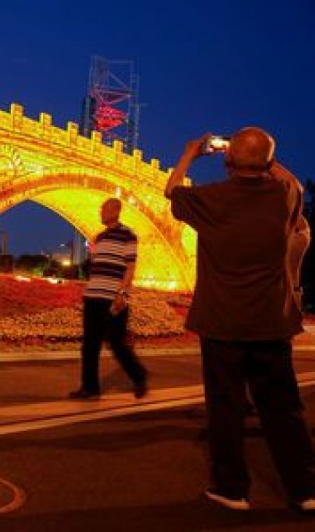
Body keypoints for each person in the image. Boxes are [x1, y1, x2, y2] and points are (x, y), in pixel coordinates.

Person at [165, 127, 315, 513]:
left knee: (226, 407)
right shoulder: (284, 197)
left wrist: (190, 154)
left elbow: (171, 191)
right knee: (284, 408)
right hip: (271, 322)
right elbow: (293, 180)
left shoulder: (210, 199)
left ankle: (232, 489)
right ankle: (304, 488)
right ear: (268, 163)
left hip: (222, 323)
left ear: (228, 162)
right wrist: (254, 153)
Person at [68, 197, 148, 400]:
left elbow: (130, 267)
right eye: (100, 209)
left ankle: (139, 376)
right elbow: (98, 267)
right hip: (93, 297)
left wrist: (122, 294)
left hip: (113, 299)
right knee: (90, 345)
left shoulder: (128, 236)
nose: (101, 212)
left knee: (116, 343)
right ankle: (90, 387)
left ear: (116, 210)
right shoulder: (99, 238)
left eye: (104, 209)